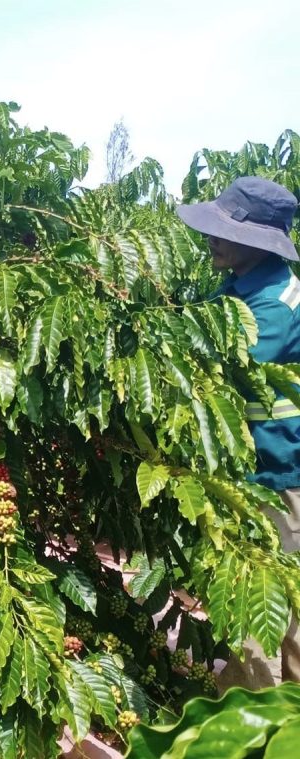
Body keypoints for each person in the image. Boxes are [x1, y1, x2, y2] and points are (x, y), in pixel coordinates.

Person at [177, 176, 300, 687]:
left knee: (264, 624)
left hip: (280, 484)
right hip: (248, 480)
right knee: (282, 621)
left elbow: (222, 367)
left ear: (256, 240)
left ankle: (251, 728)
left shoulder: (277, 305)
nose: (212, 238)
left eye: (225, 229)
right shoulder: (237, 289)